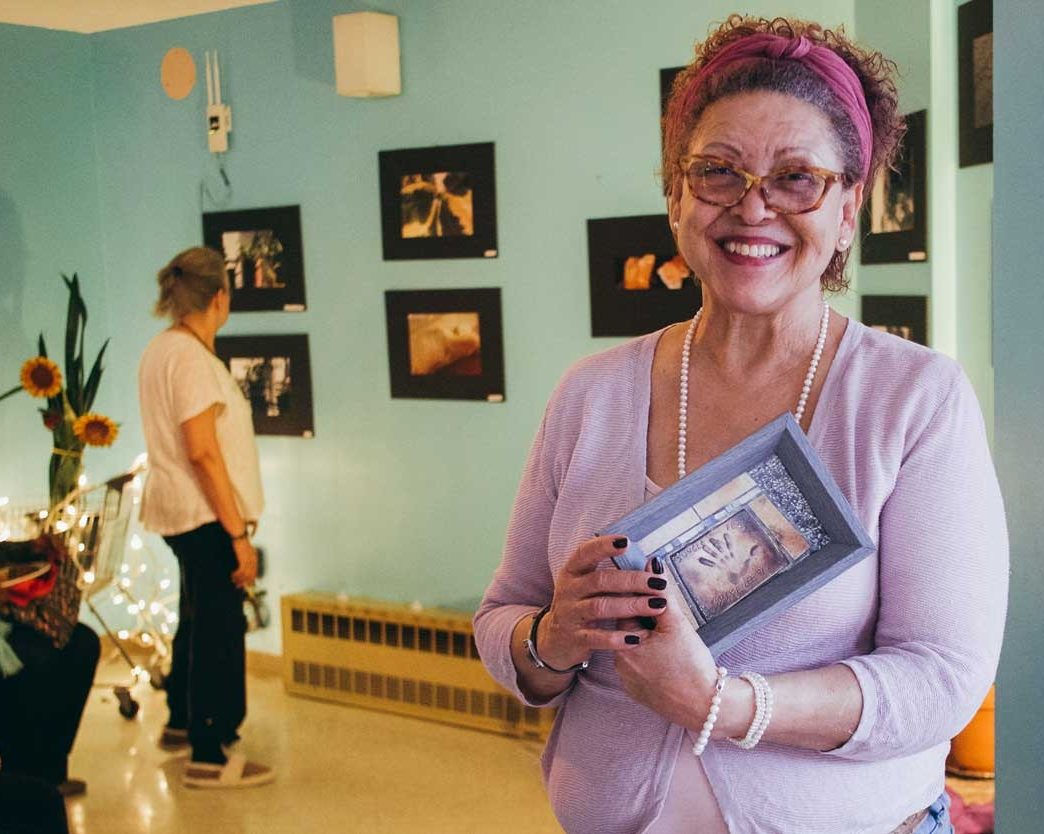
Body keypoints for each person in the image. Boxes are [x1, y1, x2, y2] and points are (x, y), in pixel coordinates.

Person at [474, 15, 1007, 834]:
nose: (751, 207)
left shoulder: (912, 400)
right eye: (718, 172)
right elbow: (504, 617)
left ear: (849, 206)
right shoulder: (590, 394)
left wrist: (719, 703)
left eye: (797, 178)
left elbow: (942, 680)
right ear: (676, 195)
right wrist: (553, 637)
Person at [138, 246, 273, 788]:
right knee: (217, 626)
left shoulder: (162, 348)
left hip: (180, 512)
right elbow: (202, 451)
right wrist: (237, 533)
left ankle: (179, 721)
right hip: (204, 515)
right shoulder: (191, 359)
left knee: (195, 616)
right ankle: (208, 752)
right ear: (220, 298)